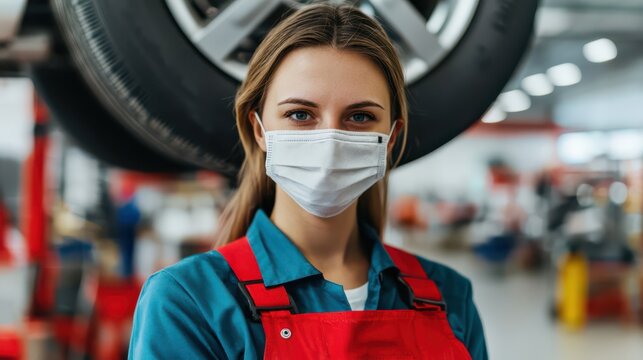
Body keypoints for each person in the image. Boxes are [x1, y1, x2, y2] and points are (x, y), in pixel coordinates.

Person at [129, 3, 487, 359]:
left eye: (359, 117)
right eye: (300, 114)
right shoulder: (189, 303)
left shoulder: (449, 298)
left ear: (390, 138)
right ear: (260, 130)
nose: (330, 141)